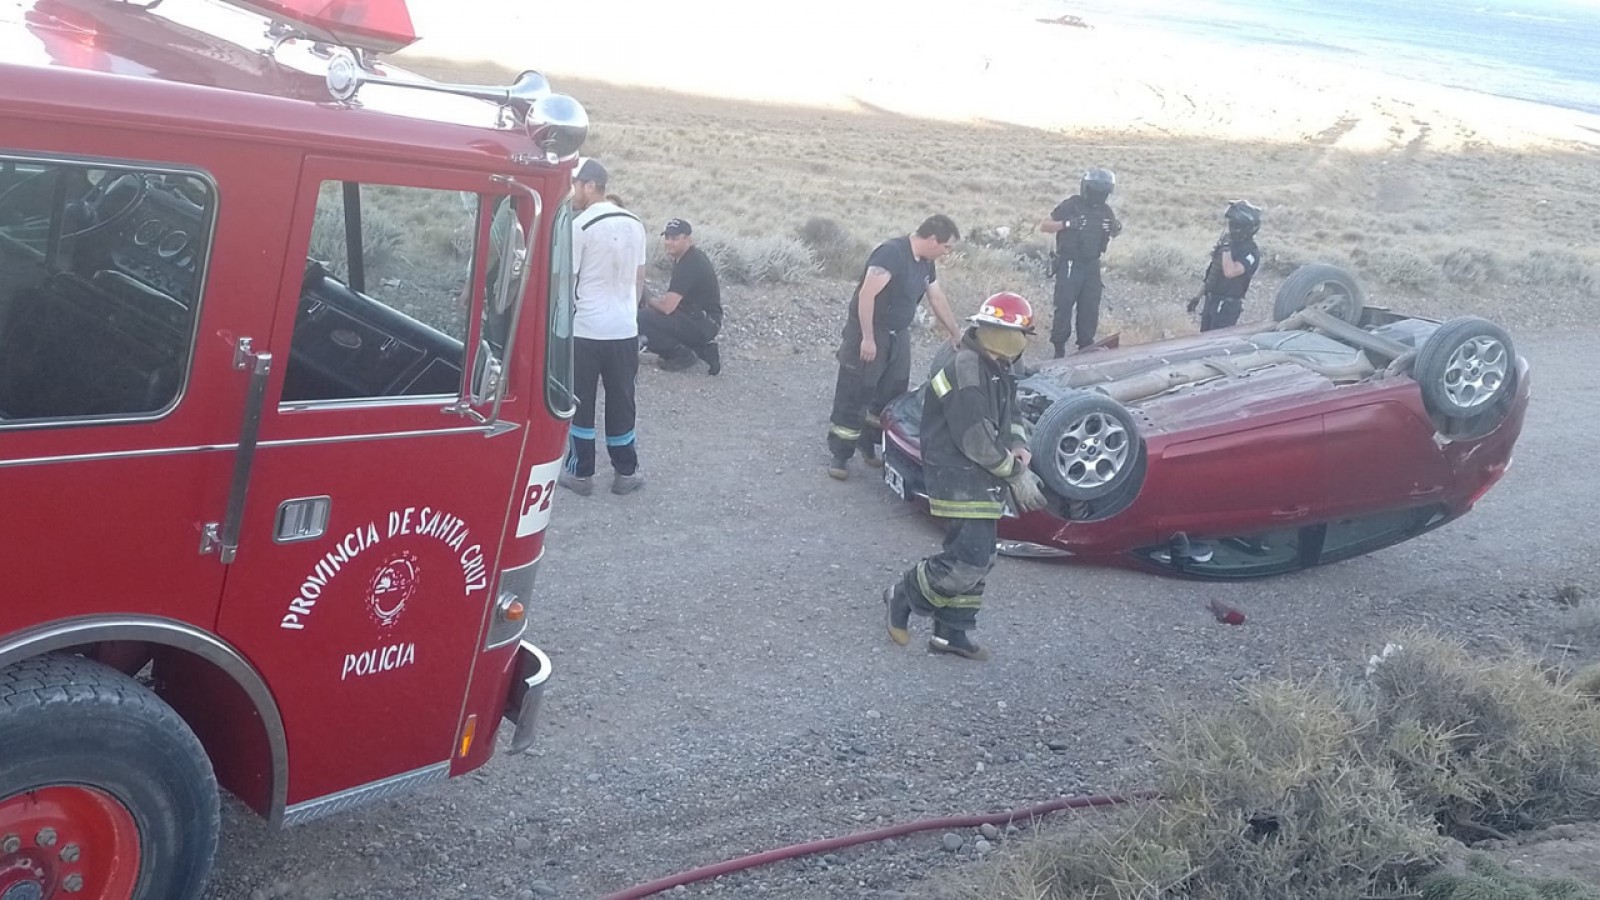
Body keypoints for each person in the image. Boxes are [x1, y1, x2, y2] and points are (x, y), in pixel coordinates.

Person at [882, 292, 1049, 661]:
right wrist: (1015, 474)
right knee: (968, 559)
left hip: (980, 476)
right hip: (959, 476)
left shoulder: (996, 365)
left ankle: (951, 633)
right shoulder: (968, 369)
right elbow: (975, 439)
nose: (1022, 345)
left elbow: (1010, 412)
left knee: (982, 557)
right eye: (1021, 336)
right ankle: (904, 595)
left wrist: (1018, 444)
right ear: (1008, 335)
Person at [825, 214, 963, 481]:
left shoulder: (926, 263)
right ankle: (840, 455)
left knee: (890, 395)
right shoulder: (891, 254)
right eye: (946, 247)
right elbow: (867, 295)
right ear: (932, 239)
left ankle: (869, 444)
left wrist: (955, 333)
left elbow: (936, 296)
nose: (947, 253)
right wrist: (867, 338)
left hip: (898, 336)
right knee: (855, 393)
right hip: (869, 333)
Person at [559, 158, 648, 497]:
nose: (571, 192)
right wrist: (628, 312)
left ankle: (581, 473)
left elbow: (567, 279)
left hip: (586, 329)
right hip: (624, 329)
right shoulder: (636, 224)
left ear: (589, 185)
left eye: (574, 185)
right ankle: (626, 471)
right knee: (623, 400)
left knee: (581, 402)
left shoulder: (580, 226)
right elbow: (639, 279)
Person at [1037, 168, 1122, 358]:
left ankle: (1085, 348)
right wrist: (1067, 224)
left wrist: (1116, 227)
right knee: (1064, 305)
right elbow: (1044, 225)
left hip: (1092, 264)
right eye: (1096, 191)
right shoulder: (1072, 205)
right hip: (1070, 262)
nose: (1099, 195)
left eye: (1103, 192)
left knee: (1090, 307)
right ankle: (1059, 350)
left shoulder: (1105, 211)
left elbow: (1114, 231)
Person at [640, 218, 723, 375]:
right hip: (701, 319)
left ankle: (681, 353)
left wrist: (647, 296)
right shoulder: (689, 258)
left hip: (704, 322)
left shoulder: (689, 264)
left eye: (675, 238)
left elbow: (667, 307)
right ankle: (703, 349)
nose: (669, 242)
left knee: (642, 317)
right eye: (667, 238)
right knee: (653, 315)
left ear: (688, 239)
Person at [1188, 200, 1263, 331]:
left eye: (1235, 225)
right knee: (1204, 339)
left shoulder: (1250, 252)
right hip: (1211, 301)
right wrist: (1197, 297)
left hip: (1227, 306)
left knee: (1218, 341)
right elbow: (1213, 272)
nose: (1231, 228)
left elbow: (1230, 272)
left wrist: (1226, 248)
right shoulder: (1228, 245)